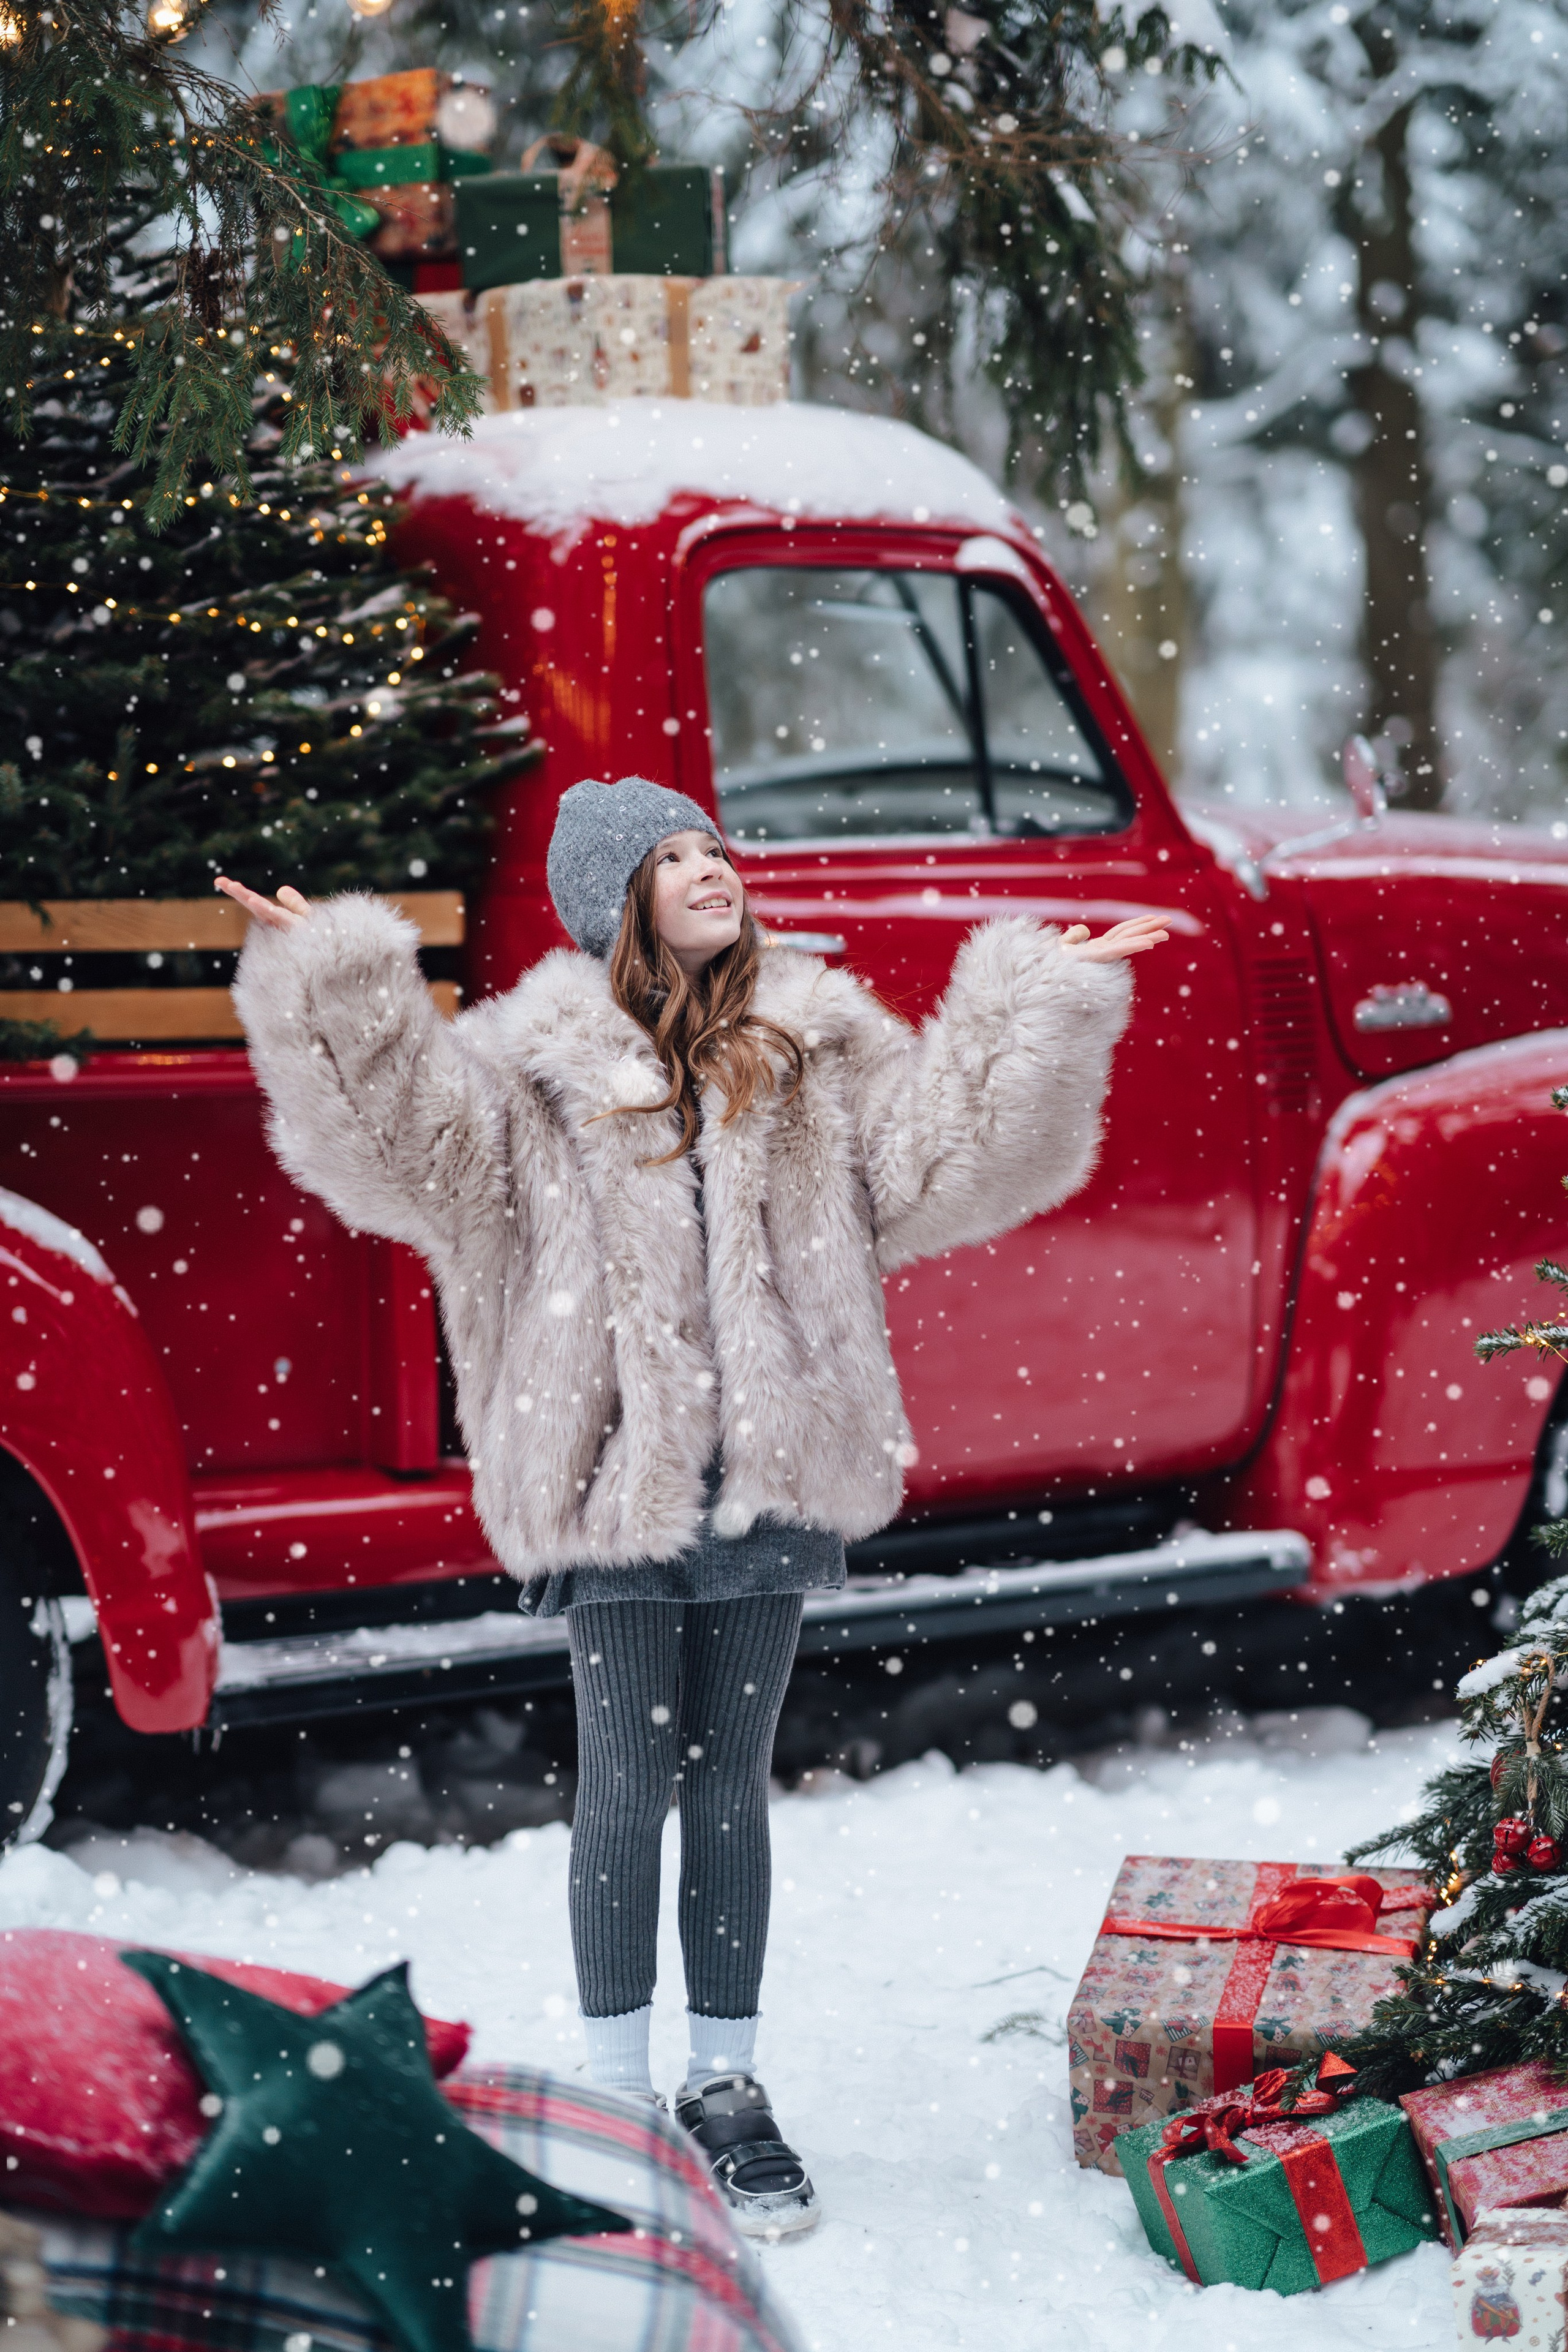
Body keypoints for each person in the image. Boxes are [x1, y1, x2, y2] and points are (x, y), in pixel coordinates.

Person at [219, 775, 1165, 2239]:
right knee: (621, 1778)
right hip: (612, 1476)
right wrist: (333, 983)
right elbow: (400, 1140)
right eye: (667, 859)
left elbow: (943, 1154)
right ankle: (612, 2092)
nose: (707, 870)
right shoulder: (527, 1079)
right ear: (614, 903)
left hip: (775, 1473)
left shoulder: (811, 1048)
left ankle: (724, 2082)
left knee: (728, 1782)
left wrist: (1034, 1004)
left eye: (710, 847)